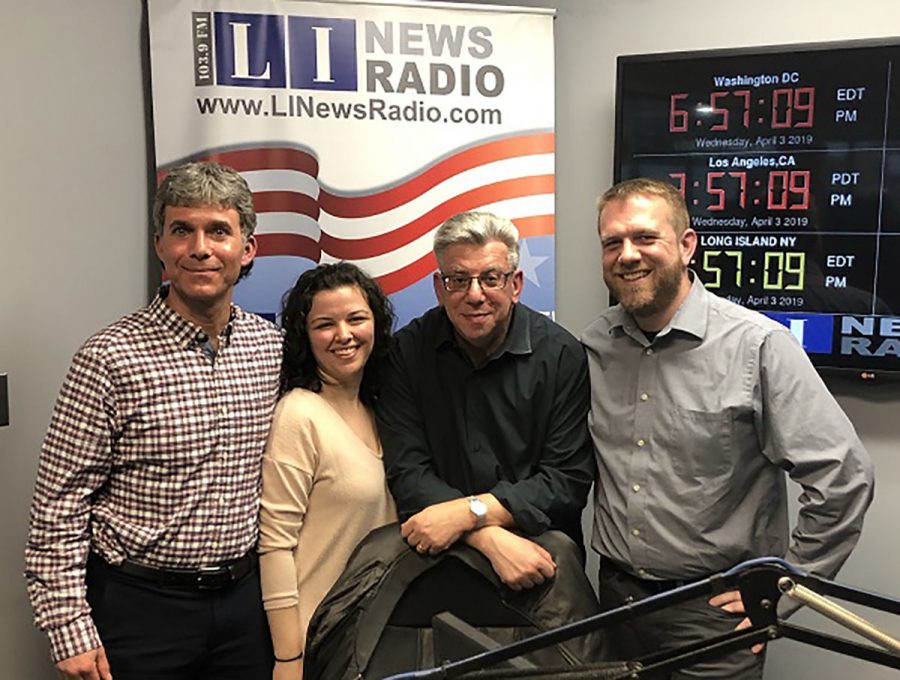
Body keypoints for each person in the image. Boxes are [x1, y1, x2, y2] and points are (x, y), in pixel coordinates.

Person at [583, 177, 875, 678]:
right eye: (613, 242)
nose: (627, 255)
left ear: (687, 245)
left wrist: (786, 590)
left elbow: (843, 479)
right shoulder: (594, 346)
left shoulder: (758, 346)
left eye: (645, 237)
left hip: (713, 614)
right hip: (615, 603)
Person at [25, 161, 283, 680]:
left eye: (219, 231)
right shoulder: (108, 358)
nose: (200, 248)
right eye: (182, 230)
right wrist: (68, 630)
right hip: (138, 609)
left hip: (245, 609)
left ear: (247, 249)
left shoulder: (272, 349)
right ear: (160, 246)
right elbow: (59, 507)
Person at [376, 210, 596, 591]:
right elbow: (408, 471)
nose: (474, 295)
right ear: (439, 287)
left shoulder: (561, 355)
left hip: (538, 556)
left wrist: (468, 513)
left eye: (490, 278)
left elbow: (566, 480)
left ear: (516, 284)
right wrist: (483, 534)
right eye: (458, 279)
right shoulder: (407, 352)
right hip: (436, 555)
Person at [258, 262, 397, 679]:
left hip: (377, 634)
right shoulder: (299, 414)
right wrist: (288, 657)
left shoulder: (381, 410)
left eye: (356, 318)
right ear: (305, 335)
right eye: (325, 324)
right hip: (319, 644)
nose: (344, 335)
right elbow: (275, 544)